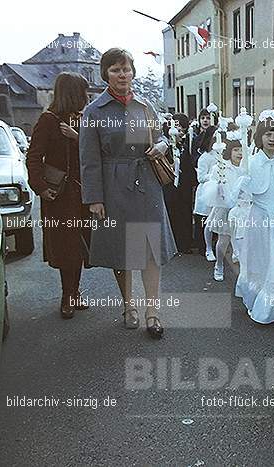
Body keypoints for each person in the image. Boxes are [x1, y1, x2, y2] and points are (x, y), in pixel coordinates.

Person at [79, 48, 176, 339]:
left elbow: (161, 138)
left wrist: (161, 146)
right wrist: (94, 198)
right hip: (113, 186)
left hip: (146, 184)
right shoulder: (94, 111)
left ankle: (153, 312)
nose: (123, 75)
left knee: (148, 249)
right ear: (105, 73)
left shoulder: (145, 106)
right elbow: (89, 158)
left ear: (133, 72)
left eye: (127, 69)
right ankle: (129, 306)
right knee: (123, 250)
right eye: (115, 70)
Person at [26, 72, 92, 319]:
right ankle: (68, 295)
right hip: (60, 195)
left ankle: (74, 292)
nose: (86, 97)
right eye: (83, 92)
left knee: (80, 245)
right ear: (73, 93)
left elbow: (94, 154)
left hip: (84, 193)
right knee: (66, 246)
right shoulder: (48, 120)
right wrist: (40, 187)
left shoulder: (83, 121)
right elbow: (33, 157)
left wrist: (78, 138)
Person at [235, 110, 274, 324]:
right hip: (258, 218)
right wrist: (243, 183)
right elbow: (239, 195)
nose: (272, 139)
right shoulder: (251, 162)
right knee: (259, 258)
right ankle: (256, 295)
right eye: (268, 134)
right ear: (260, 136)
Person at [201, 135, 246, 281]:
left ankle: (244, 272)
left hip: (242, 208)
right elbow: (213, 186)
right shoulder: (220, 167)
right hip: (225, 208)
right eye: (236, 150)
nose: (239, 153)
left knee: (243, 240)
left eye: (241, 150)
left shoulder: (246, 167)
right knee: (223, 241)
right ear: (229, 152)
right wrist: (219, 187)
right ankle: (219, 265)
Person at [163, 113, 196, 253]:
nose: (178, 131)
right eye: (175, 127)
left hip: (185, 185)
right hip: (170, 184)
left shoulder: (188, 143)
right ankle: (172, 244)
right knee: (172, 213)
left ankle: (185, 243)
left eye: (181, 128)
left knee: (185, 212)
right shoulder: (167, 145)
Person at [192, 126, 218, 261]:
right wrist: (214, 175)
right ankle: (203, 247)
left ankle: (214, 244)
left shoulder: (220, 155)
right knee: (204, 219)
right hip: (206, 192)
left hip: (218, 193)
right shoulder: (205, 157)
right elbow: (201, 178)